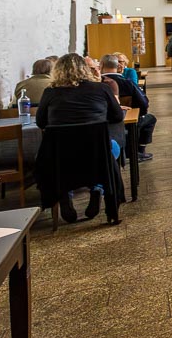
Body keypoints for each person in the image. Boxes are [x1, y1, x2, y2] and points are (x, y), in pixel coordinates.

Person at [37, 53, 125, 221]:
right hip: (95, 154)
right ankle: (98, 189)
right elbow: (117, 117)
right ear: (85, 69)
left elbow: (41, 122)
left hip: (62, 156)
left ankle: (64, 194)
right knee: (112, 147)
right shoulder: (101, 88)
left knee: (48, 157)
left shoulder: (50, 92)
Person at [100, 54, 156, 161]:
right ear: (118, 66)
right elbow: (143, 103)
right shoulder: (128, 84)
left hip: (100, 123)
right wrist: (141, 115)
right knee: (150, 119)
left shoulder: (96, 84)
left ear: (101, 65)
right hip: (125, 119)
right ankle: (139, 151)